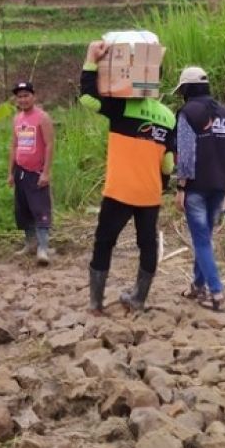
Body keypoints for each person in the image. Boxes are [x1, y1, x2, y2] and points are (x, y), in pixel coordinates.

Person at [79, 40, 176, 314]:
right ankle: (139, 300)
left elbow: (87, 98)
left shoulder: (123, 106)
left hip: (119, 191)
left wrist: (90, 60)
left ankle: (96, 303)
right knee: (147, 244)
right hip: (149, 194)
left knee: (104, 242)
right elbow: (168, 164)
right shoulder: (168, 117)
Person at [172, 66, 225, 312]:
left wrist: (181, 187)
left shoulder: (187, 113)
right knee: (204, 237)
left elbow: (185, 155)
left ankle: (216, 292)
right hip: (220, 186)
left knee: (202, 241)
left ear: (186, 89)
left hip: (196, 188)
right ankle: (198, 286)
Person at [8, 81, 55, 266]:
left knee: (40, 209)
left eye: (26, 95)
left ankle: (43, 248)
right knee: (23, 209)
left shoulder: (42, 118)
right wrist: (10, 173)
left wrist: (46, 172)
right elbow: (14, 145)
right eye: (20, 96)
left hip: (37, 172)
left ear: (33, 96)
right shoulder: (17, 119)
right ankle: (30, 243)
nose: (23, 99)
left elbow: (50, 144)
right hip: (21, 172)